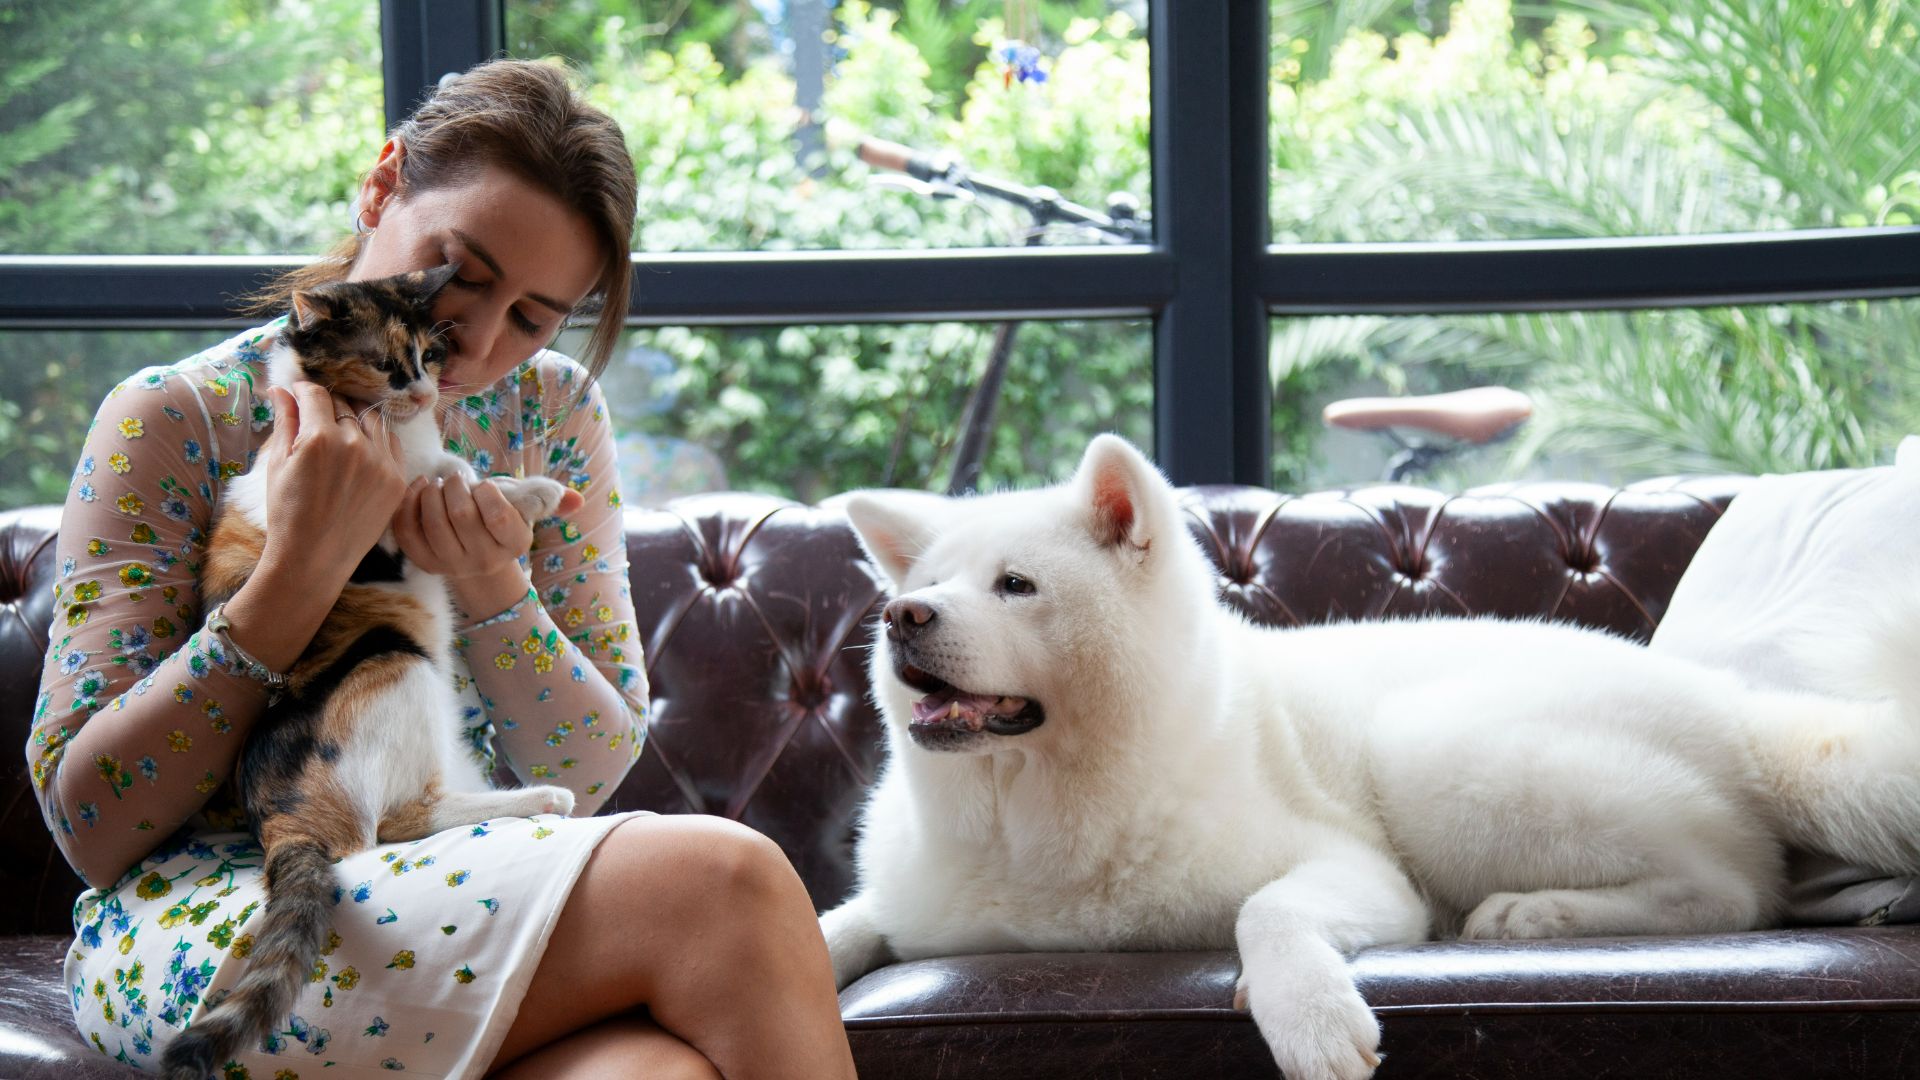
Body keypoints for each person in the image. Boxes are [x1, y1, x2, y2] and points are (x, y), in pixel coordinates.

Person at [27, 58, 857, 1080]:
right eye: (461, 272)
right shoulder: (175, 418)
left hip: (463, 870)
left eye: (533, 316)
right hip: (218, 912)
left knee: (653, 1075)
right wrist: (292, 578)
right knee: (725, 880)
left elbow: (587, 771)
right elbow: (91, 826)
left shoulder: (550, 416)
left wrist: (492, 587)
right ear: (382, 185)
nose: (474, 337)